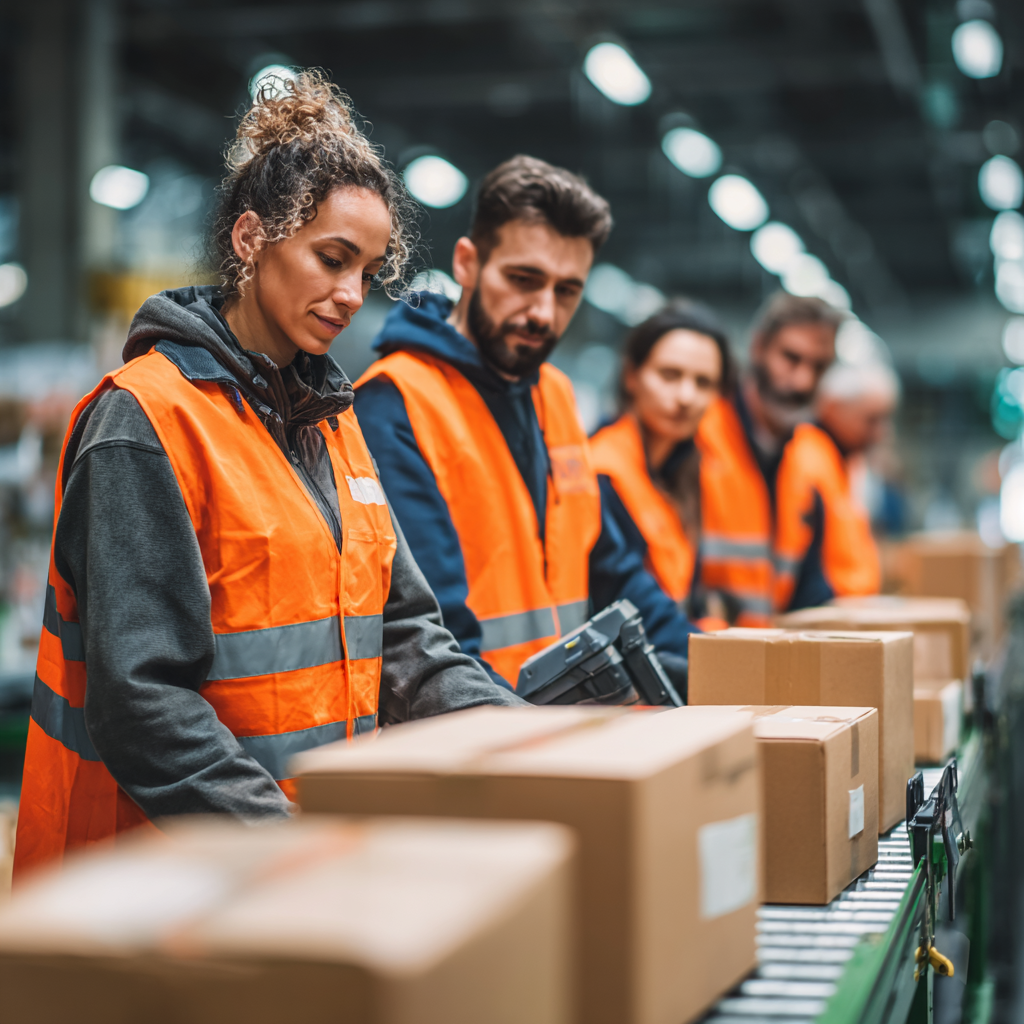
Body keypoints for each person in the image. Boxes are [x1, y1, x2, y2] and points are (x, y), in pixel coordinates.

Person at [15, 72, 523, 880]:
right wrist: (285, 845)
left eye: (369, 268)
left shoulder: (333, 424)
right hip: (157, 886)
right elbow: (144, 704)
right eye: (332, 258)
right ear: (251, 238)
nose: (353, 294)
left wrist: (544, 743)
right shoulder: (145, 422)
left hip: (300, 866)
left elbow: (406, 642)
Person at [354, 156, 696, 690]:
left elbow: (611, 571)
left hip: (557, 724)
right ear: (466, 263)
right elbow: (430, 636)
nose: (543, 312)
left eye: (566, 290)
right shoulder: (394, 405)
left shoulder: (553, 395)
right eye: (523, 279)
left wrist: (715, 668)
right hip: (467, 738)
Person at [695, 292, 844, 622]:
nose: (803, 380)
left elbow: (809, 591)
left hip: (768, 661)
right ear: (758, 347)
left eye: (818, 367)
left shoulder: (806, 464)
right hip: (699, 657)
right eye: (791, 358)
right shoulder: (699, 438)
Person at [590, 301, 734, 620]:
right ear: (632, 376)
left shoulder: (686, 474)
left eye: (703, 383)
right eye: (670, 375)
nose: (686, 397)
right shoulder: (600, 472)